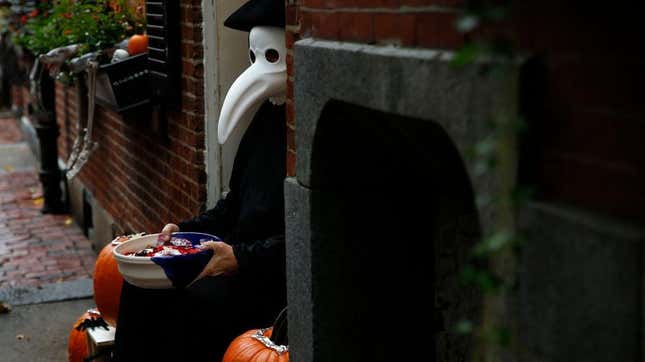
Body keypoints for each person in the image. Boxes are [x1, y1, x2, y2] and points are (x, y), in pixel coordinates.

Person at [114, 0, 288, 360]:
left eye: (270, 57)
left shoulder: (299, 133)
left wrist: (241, 257)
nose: (258, 70)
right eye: (253, 57)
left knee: (189, 308)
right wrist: (183, 229)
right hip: (236, 261)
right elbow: (232, 205)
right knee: (139, 289)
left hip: (271, 281)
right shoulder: (265, 120)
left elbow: (306, 237)